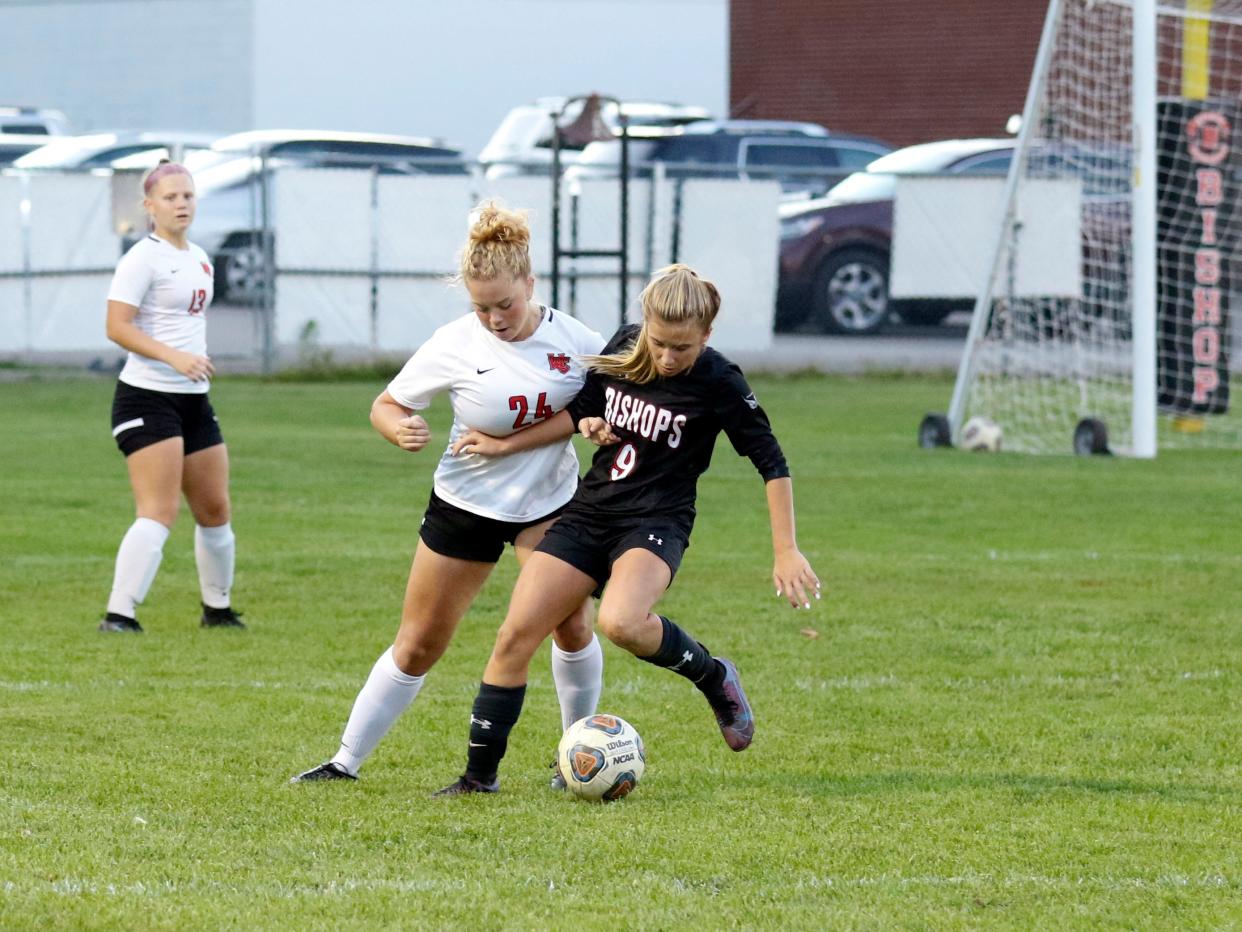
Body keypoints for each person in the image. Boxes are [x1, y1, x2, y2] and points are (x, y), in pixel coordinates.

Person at [434, 263, 821, 796]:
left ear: (706, 336)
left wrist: (786, 550)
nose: (666, 358)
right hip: (591, 511)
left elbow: (771, 463)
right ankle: (478, 780)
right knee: (514, 636)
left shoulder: (720, 381)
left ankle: (712, 675)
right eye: (659, 343)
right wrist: (536, 437)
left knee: (620, 621)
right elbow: (583, 415)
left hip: (656, 521)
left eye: (682, 348)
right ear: (644, 324)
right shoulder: (626, 346)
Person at [291, 203, 607, 784]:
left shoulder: (578, 341)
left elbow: (607, 400)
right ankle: (345, 761)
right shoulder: (454, 343)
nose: (493, 318)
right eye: (480, 307)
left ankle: (576, 759)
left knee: (573, 627)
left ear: (531, 284)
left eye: (505, 305)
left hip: (551, 504)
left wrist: (577, 431)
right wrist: (399, 428)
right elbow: (386, 405)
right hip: (466, 504)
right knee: (419, 644)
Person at [99, 160, 243, 633]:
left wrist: (192, 362)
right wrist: (173, 357)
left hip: (193, 399)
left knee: (215, 508)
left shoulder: (199, 256)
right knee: (159, 511)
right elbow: (116, 326)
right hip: (146, 398)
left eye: (188, 196)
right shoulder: (143, 258)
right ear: (150, 206)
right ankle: (119, 615)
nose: (181, 204)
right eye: (170, 197)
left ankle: (217, 611)